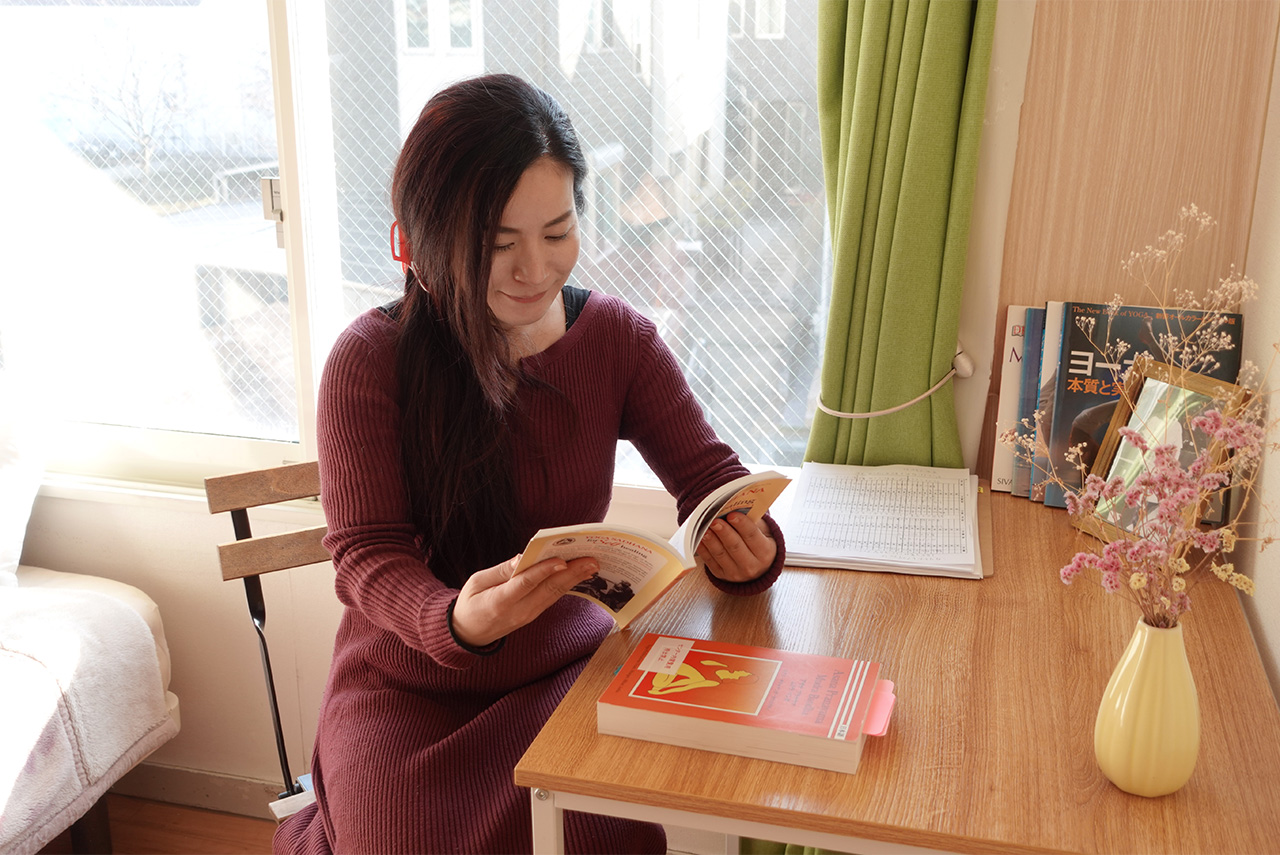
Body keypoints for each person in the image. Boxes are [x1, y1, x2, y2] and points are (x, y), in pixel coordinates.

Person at [274, 73, 786, 855]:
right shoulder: (369, 359)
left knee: (592, 828)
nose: (534, 269)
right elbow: (365, 554)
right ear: (418, 242)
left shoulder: (618, 339)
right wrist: (456, 619)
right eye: (496, 244)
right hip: (405, 685)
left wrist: (748, 547)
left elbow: (712, 479)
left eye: (557, 231)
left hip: (559, 673)